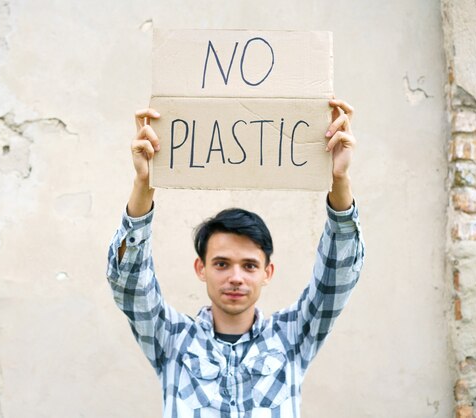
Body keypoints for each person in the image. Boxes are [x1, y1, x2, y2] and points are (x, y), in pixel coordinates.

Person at [106, 99, 365, 418]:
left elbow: (336, 278)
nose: (236, 277)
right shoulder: (172, 338)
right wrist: (144, 185)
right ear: (200, 268)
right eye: (222, 264)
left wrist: (340, 180)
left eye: (250, 265)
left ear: (268, 272)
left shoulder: (293, 336)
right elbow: (129, 285)